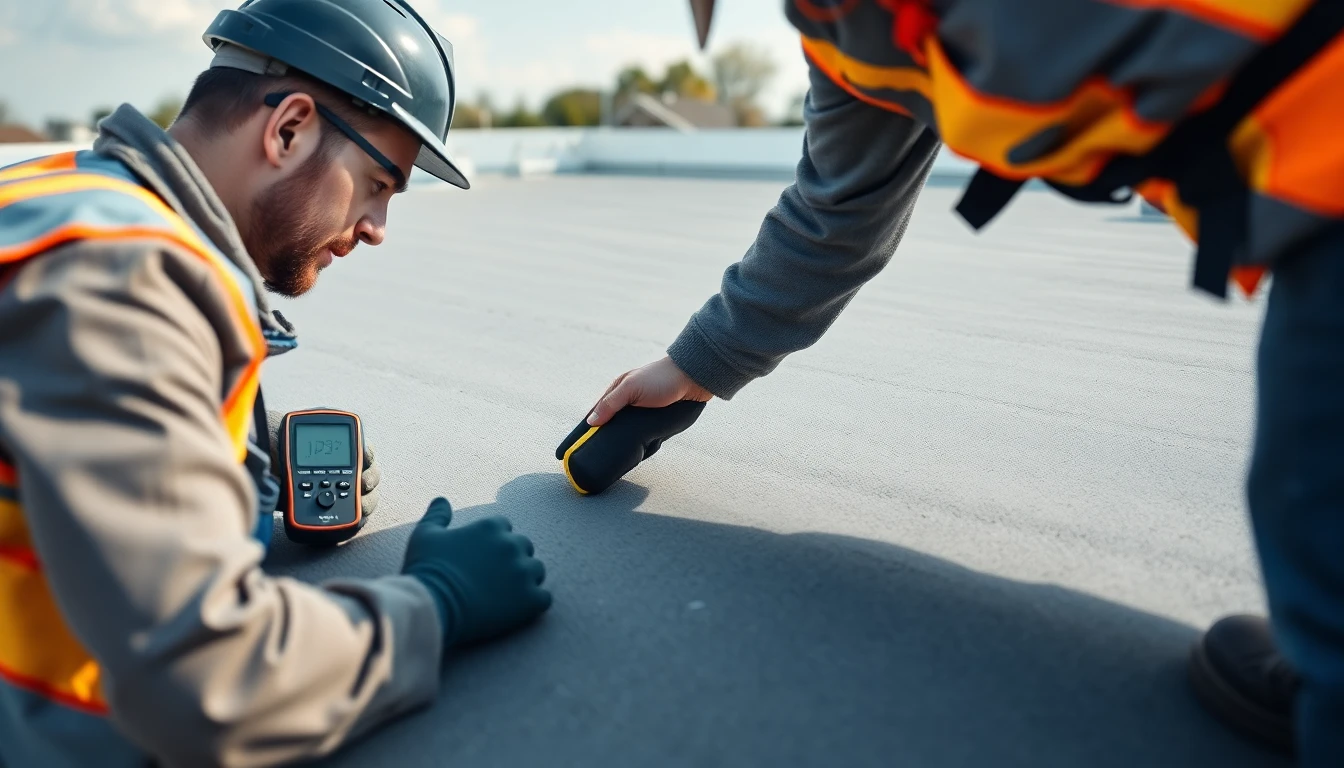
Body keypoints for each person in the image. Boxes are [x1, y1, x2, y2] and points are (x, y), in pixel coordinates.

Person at [582, 1, 1342, 762]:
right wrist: (697, 366)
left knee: (1310, 509)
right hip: (1309, 187)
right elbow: (835, 210)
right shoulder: (840, 35)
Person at [0, 1, 551, 766]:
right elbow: (210, 687)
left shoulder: (57, 195)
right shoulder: (126, 279)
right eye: (377, 183)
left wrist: (234, 466)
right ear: (288, 129)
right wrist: (437, 604)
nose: (376, 226)